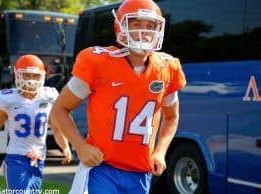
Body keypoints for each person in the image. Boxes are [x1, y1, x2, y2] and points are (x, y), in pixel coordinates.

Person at [50, 0, 186, 193]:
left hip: (141, 171)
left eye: (150, 25)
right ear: (119, 26)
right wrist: (80, 146)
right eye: (136, 24)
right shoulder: (98, 62)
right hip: (102, 168)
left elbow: (171, 117)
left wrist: (161, 151)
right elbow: (59, 109)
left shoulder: (167, 67)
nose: (144, 31)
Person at [0, 54, 72, 191]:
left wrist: (65, 147)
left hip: (39, 159)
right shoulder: (8, 99)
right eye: (26, 75)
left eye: (35, 76)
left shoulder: (48, 97)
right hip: (16, 158)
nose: (31, 81)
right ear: (17, 76)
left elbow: (56, 128)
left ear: (43, 77)